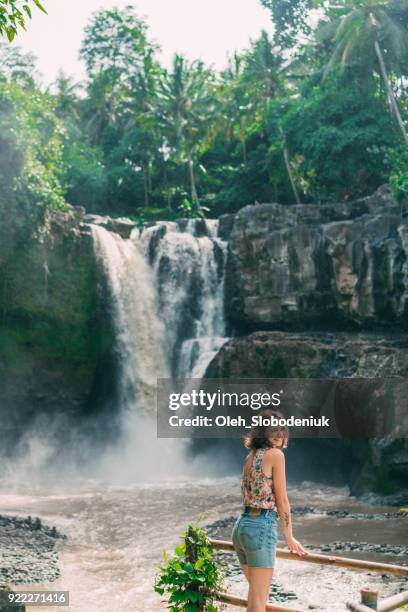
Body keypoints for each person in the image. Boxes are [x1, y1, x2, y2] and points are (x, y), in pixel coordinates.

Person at [232, 409, 307, 612]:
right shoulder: (276, 455)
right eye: (273, 429)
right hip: (259, 528)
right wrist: (290, 537)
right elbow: (282, 500)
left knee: (255, 598)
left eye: (282, 429)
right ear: (262, 432)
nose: (279, 433)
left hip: (241, 529)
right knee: (258, 603)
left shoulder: (250, 456)